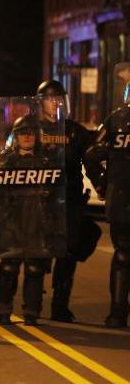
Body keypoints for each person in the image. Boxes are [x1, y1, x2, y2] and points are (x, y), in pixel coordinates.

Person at [0, 114, 67, 325]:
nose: (26, 137)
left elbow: (58, 194)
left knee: (35, 267)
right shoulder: (5, 162)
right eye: (22, 133)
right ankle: (4, 309)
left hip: (39, 219)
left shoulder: (47, 162)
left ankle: (32, 312)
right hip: (12, 220)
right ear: (15, 136)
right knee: (9, 266)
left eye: (30, 133)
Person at [36, 80, 98, 322]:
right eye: (51, 99)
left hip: (69, 199)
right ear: (41, 103)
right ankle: (34, 302)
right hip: (39, 200)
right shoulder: (31, 129)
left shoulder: (74, 131)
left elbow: (92, 159)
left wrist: (102, 182)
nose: (56, 103)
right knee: (39, 253)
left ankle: (60, 305)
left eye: (60, 99)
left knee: (68, 253)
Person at [85, 64, 130, 328]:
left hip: (121, 198)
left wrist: (102, 183)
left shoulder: (116, 119)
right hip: (121, 197)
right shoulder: (115, 119)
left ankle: (117, 312)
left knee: (123, 255)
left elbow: (92, 154)